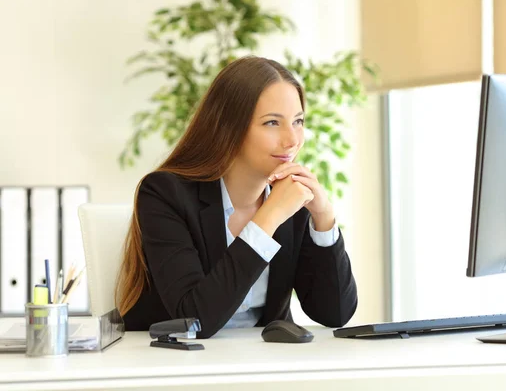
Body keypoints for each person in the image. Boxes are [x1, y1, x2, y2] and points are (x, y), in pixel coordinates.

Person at [115, 56, 358, 337]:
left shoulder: (292, 200)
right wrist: (268, 218)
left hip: (259, 366)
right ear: (229, 126)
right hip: (175, 366)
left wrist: (323, 218)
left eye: (298, 121)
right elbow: (195, 321)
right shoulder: (164, 194)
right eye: (271, 123)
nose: (292, 140)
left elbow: (334, 314)